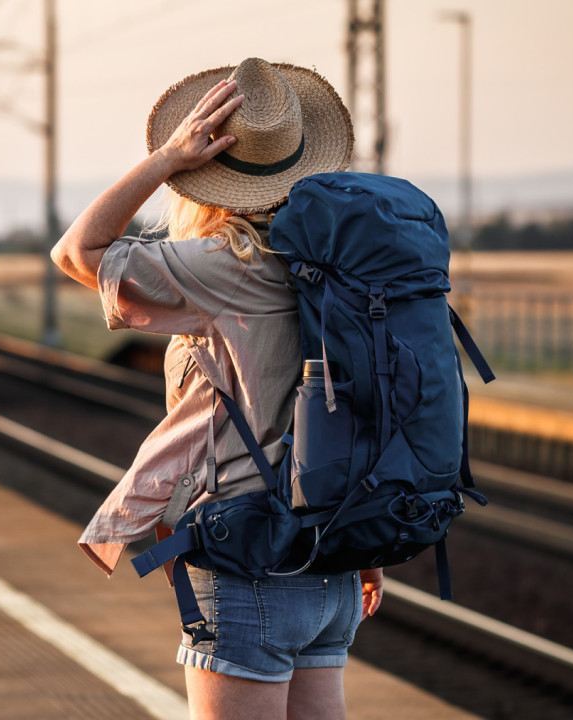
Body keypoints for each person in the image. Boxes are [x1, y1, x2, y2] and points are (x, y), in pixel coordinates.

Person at [51, 58, 384, 720]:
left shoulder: (227, 267)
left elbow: (76, 252)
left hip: (250, 562)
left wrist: (163, 161)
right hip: (337, 562)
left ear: (207, 177)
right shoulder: (343, 267)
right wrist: (365, 549)